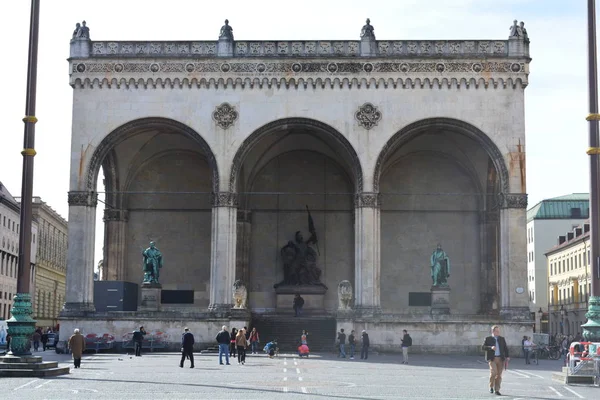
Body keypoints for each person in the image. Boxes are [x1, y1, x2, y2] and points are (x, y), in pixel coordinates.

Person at [482, 325, 510, 396]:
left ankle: (497, 390)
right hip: (492, 359)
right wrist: (490, 347)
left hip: (501, 359)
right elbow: (483, 347)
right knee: (494, 372)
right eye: (497, 331)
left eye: (498, 331)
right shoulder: (488, 339)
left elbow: (505, 348)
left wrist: (507, 356)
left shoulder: (502, 339)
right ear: (493, 331)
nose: (498, 332)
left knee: (499, 375)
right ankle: (491, 386)